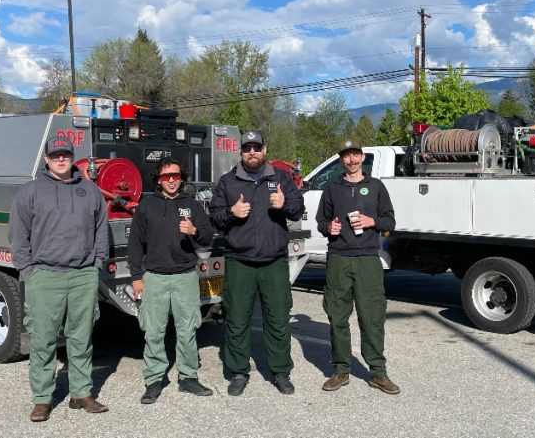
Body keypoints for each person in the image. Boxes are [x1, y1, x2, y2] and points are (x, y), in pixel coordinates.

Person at [9, 137, 110, 422]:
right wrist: (29, 272)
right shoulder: (30, 192)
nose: (61, 160)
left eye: (66, 154)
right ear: (47, 159)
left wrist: (96, 265)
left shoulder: (89, 191)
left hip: (82, 276)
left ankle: (81, 393)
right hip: (45, 276)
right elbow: (18, 236)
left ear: (72, 157)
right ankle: (42, 399)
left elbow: (101, 230)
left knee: (82, 338)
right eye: (56, 156)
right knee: (43, 340)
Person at [209, 131, 305, 396]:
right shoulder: (228, 182)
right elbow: (214, 218)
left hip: (273, 261)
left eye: (257, 147)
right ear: (241, 152)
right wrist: (231, 212)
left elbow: (298, 209)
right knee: (237, 319)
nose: (252, 152)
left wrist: (285, 204)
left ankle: (280, 372)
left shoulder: (281, 178)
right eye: (247, 148)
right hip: (239, 261)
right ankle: (239, 372)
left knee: (277, 318)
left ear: (265, 149)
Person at [127, 157, 215, 404]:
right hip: (154, 278)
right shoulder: (147, 205)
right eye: (166, 176)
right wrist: (136, 277)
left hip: (185, 276)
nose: (172, 180)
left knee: (188, 329)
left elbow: (209, 237)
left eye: (176, 175)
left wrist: (194, 231)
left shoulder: (192, 205)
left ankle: (188, 377)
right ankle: (154, 380)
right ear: (159, 179)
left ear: (182, 177)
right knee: (153, 332)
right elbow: (135, 244)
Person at [315, 140, 400, 394]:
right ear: (342, 160)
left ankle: (378, 373)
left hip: (367, 260)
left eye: (355, 155)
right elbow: (321, 220)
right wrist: (329, 227)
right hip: (338, 259)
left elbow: (390, 221)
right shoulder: (332, 187)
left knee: (372, 317)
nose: (351, 160)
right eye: (346, 156)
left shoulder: (375, 187)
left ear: (362, 157)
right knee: (338, 317)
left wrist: (371, 220)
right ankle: (341, 370)